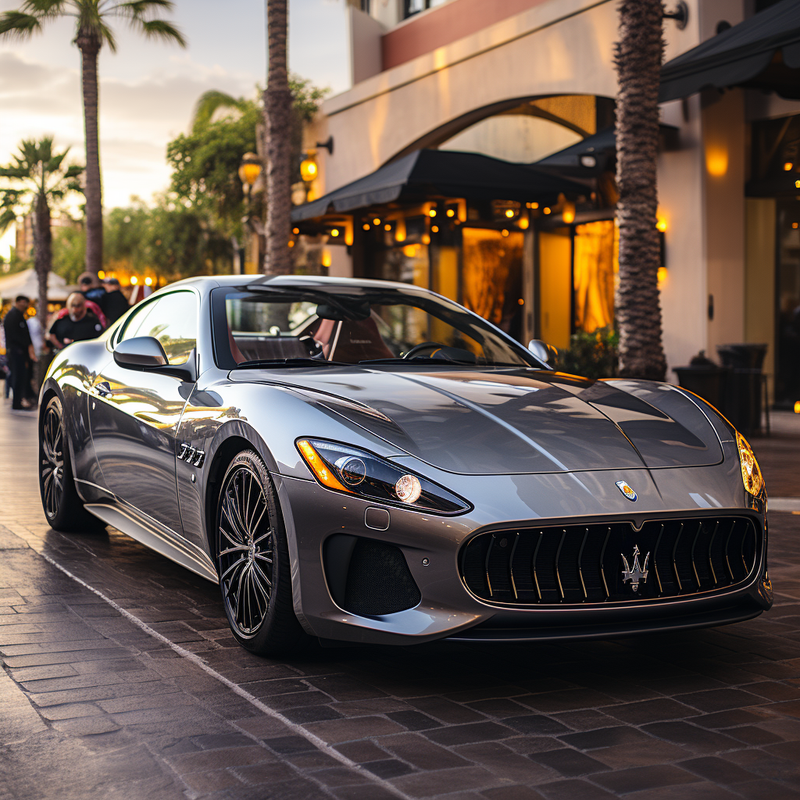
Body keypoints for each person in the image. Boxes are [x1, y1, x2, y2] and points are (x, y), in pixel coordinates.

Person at [2, 295, 37, 410]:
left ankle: (19, 401)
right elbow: (19, 337)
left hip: (18, 352)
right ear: (18, 302)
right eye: (23, 303)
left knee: (20, 376)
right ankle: (17, 403)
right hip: (16, 352)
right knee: (18, 376)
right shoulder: (13, 316)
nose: (25, 306)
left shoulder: (18, 315)